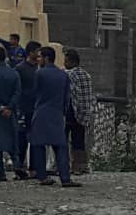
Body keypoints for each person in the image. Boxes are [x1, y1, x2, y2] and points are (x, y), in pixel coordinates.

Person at [30, 46, 79, 188]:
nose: (38, 59)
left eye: (39, 57)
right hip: (56, 113)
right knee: (60, 146)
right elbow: (66, 98)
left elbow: (35, 92)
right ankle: (65, 178)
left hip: (40, 113)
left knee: (39, 145)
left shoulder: (39, 74)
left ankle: (42, 176)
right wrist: (62, 112)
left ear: (45, 58)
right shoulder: (63, 75)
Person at [12, 41, 41, 180]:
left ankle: (34, 169)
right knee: (21, 139)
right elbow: (16, 88)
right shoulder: (19, 68)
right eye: (38, 52)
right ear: (31, 52)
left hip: (36, 108)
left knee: (35, 139)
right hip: (23, 108)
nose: (39, 55)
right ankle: (19, 168)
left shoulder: (40, 69)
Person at [63, 48, 94, 176]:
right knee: (78, 140)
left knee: (63, 139)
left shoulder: (68, 75)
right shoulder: (87, 75)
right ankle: (78, 167)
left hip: (70, 110)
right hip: (83, 112)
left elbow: (68, 94)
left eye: (65, 60)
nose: (64, 62)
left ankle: (64, 165)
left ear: (70, 61)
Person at [0, 46, 20, 181]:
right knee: (13, 141)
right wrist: (9, 107)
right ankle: (18, 167)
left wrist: (0, 107)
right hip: (10, 113)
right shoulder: (14, 73)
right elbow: (18, 93)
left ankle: (0, 173)